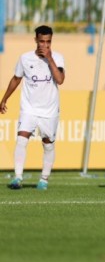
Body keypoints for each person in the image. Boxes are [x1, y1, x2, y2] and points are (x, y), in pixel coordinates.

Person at [0, 25, 65, 190]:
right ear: (35, 40)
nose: (45, 45)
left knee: (48, 143)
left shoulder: (57, 57)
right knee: (22, 138)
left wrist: (50, 59)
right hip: (28, 108)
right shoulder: (25, 58)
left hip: (49, 109)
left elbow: (60, 79)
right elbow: (16, 79)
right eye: (42, 41)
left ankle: (44, 179)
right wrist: (4, 99)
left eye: (48, 42)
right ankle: (17, 177)